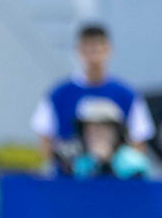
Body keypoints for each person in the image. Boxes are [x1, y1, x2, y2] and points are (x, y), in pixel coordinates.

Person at [31, 24, 155, 176]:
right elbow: (44, 144)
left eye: (98, 48)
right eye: (88, 48)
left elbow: (139, 143)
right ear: (79, 51)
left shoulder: (126, 94)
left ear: (108, 50)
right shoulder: (58, 95)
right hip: (68, 185)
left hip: (115, 185)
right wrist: (69, 160)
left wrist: (115, 161)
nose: (94, 56)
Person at [72, 98, 150, 179]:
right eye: (89, 130)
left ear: (116, 132)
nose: (94, 135)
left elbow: (131, 189)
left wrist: (105, 163)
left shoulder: (133, 160)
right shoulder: (82, 162)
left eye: (101, 129)